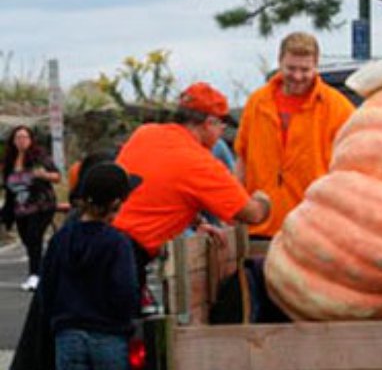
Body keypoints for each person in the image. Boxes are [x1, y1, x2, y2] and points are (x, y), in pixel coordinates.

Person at [112, 81, 271, 288]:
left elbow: (157, 190)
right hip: (126, 256)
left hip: (97, 236)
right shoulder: (200, 163)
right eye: (221, 125)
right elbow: (252, 214)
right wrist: (264, 199)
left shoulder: (145, 134)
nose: (222, 132)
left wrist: (194, 221)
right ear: (209, 123)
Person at [233, 31, 355, 239]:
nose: (298, 76)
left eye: (305, 69)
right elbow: (242, 160)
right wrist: (235, 209)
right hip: (260, 230)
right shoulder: (257, 102)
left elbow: (352, 170)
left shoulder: (339, 108)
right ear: (280, 62)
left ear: (316, 66)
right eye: (291, 68)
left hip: (314, 231)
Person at [39, 162, 141, 370]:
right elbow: (126, 292)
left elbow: (46, 288)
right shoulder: (118, 243)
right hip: (109, 334)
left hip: (68, 333)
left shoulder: (61, 238)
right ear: (115, 203)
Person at [1, 126, 61, 291]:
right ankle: (43, 271)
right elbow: (8, 187)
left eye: (25, 137)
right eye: (18, 137)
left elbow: (57, 176)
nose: (21, 140)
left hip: (41, 205)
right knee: (28, 241)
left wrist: (44, 175)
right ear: (13, 141)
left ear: (30, 139)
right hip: (20, 208)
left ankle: (35, 275)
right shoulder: (10, 161)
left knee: (34, 237)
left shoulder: (39, 156)